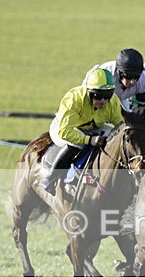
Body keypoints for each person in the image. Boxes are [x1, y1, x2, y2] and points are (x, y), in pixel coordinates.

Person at [40, 67, 124, 195]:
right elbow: (65, 132)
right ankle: (50, 178)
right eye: (98, 96)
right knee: (78, 142)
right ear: (89, 92)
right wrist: (89, 140)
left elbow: (120, 126)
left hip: (91, 128)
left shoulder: (112, 102)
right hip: (63, 128)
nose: (103, 101)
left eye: (107, 96)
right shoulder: (74, 99)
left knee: (114, 134)